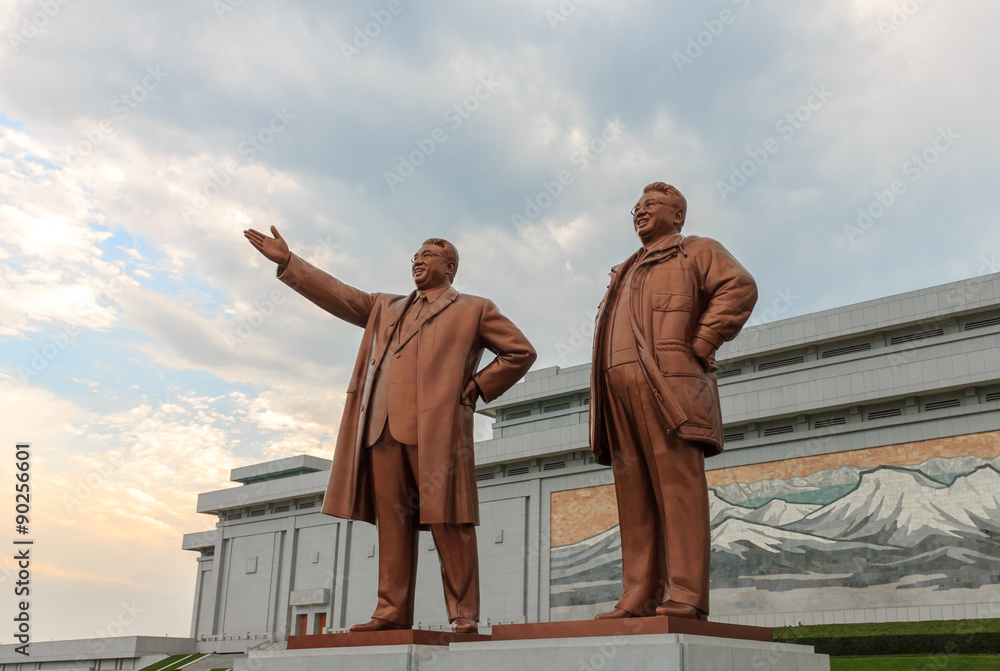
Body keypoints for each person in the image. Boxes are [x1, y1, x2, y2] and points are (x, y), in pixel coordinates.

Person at [244, 226, 536, 634]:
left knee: (449, 522)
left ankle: (463, 613)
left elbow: (520, 351)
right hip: (380, 430)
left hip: (437, 431)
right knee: (393, 525)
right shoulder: (386, 307)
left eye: (428, 255)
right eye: (415, 255)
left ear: (449, 267)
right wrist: (290, 263)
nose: (417, 260)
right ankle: (390, 611)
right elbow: (340, 295)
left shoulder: (474, 309)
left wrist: (472, 391)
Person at [590, 183, 757, 620]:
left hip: (667, 387)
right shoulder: (624, 268)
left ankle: (685, 594)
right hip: (617, 390)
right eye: (637, 207)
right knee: (634, 495)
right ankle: (639, 595)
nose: (640, 211)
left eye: (652, 205)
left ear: (678, 215)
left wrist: (702, 341)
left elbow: (739, 287)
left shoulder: (696, 251)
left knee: (678, 489)